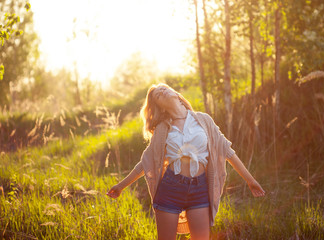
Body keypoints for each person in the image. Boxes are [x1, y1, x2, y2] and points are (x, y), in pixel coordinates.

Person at [107, 83, 265, 240]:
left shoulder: (204, 120)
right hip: (170, 189)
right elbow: (146, 163)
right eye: (157, 96)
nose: (162, 91)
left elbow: (228, 151)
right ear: (160, 107)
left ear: (176, 94)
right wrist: (121, 186)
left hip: (199, 189)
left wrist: (250, 181)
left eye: (164, 88)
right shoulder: (163, 129)